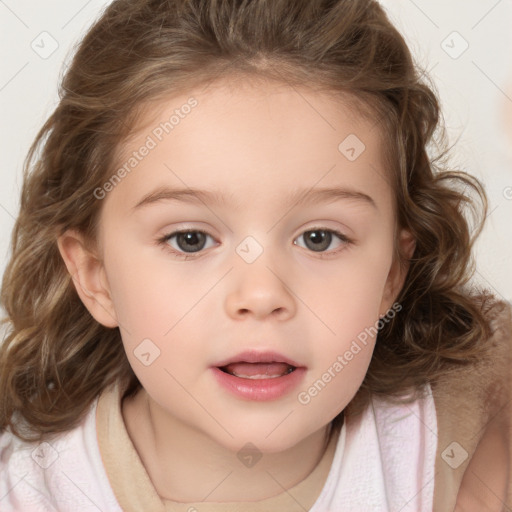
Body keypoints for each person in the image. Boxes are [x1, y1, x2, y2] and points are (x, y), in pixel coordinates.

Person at [0, 0, 510, 510]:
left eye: (319, 238)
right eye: (190, 239)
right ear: (96, 277)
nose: (262, 295)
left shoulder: (457, 457)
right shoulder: (25, 489)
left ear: (392, 275)